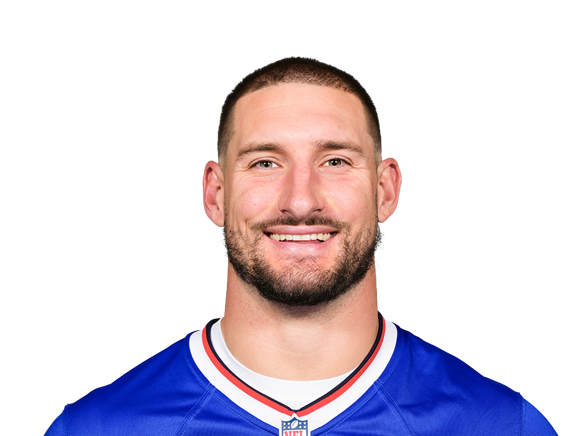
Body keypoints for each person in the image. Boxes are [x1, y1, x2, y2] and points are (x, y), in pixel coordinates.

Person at [45, 57, 557, 436]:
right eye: (265, 162)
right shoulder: (96, 429)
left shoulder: (502, 425)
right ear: (215, 194)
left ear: (385, 191)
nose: (300, 200)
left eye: (335, 161)